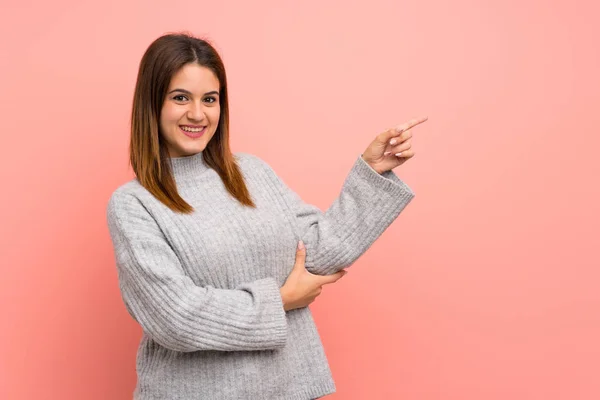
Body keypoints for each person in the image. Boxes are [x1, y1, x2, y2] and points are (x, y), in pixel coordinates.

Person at [106, 32, 427, 400]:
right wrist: (280, 300)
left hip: (288, 389)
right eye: (181, 98)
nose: (197, 114)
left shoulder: (252, 173)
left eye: (210, 99)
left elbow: (318, 252)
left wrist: (371, 173)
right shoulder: (133, 204)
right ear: (152, 103)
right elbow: (176, 317)